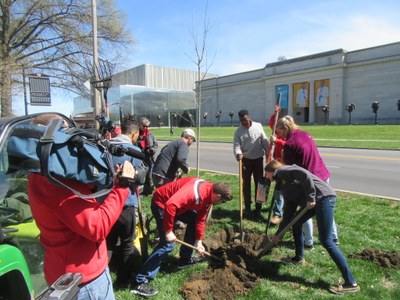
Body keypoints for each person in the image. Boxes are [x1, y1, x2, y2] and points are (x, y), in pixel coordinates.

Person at [27, 114, 133, 300]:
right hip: (84, 281)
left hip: (65, 270)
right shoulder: (55, 183)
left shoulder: (41, 173)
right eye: (69, 135)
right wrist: (121, 188)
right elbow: (97, 227)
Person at [265, 160, 360, 295]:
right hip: (314, 202)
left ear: (272, 171)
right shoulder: (283, 186)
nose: (266, 177)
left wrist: (310, 197)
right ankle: (299, 258)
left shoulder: (282, 171)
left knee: (326, 241)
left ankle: (351, 283)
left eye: (267, 174)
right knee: (296, 223)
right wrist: (278, 234)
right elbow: (287, 215)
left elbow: (304, 175)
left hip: (323, 197)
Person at [130, 177, 233, 297]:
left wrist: (199, 242)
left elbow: (200, 219)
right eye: (223, 202)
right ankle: (140, 281)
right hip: (162, 204)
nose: (221, 204)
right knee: (168, 244)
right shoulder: (195, 193)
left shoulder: (208, 195)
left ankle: (185, 259)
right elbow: (170, 205)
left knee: (194, 220)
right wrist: (168, 231)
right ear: (218, 196)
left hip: (178, 206)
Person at [275, 115, 339, 249]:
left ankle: (308, 242)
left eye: (279, 132)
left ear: (285, 128)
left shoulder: (290, 144)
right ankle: (333, 237)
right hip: (323, 174)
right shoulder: (305, 134)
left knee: (305, 210)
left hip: (311, 180)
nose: (279, 135)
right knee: (327, 208)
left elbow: (289, 168)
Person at [104, 121, 144, 287]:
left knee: (109, 242)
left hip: (105, 202)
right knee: (127, 242)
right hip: (125, 202)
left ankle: (103, 277)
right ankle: (123, 279)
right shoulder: (134, 151)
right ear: (133, 134)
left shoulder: (105, 146)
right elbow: (139, 177)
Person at [233, 109, 269, 219]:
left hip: (258, 159)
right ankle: (248, 207)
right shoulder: (238, 131)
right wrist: (238, 153)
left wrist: (268, 154)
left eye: (244, 120)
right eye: (241, 121)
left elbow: (264, 141)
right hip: (246, 161)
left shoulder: (258, 126)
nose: (243, 122)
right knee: (246, 184)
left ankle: (258, 209)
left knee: (260, 184)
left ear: (249, 117)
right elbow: (236, 146)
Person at [137, 117, 158, 195]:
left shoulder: (150, 134)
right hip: (139, 157)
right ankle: (138, 191)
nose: (145, 128)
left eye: (147, 126)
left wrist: (152, 150)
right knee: (139, 174)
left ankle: (148, 191)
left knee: (149, 175)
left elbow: (155, 145)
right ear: (140, 125)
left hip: (148, 157)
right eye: (144, 126)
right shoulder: (136, 133)